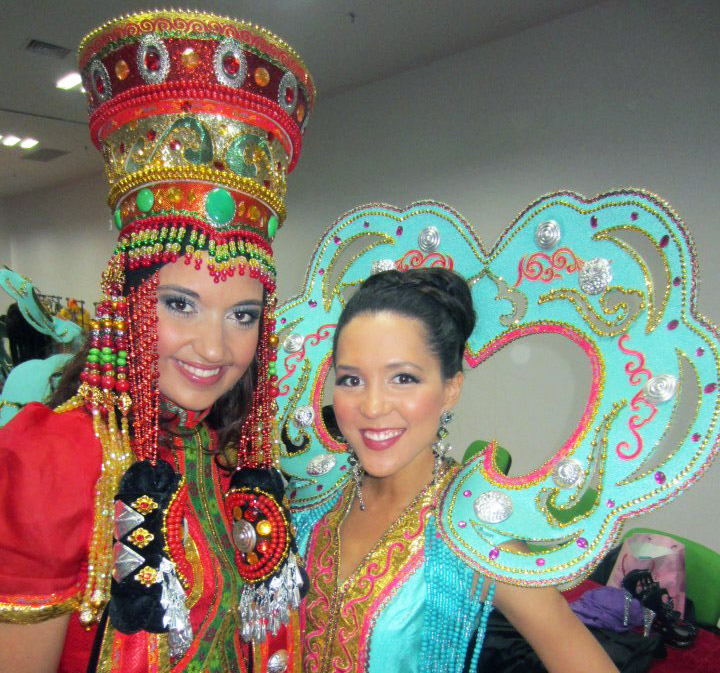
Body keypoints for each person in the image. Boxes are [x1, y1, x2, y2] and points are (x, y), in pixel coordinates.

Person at [0, 9, 314, 672]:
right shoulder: (51, 458)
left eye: (242, 314)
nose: (214, 346)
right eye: (181, 304)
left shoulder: (228, 453)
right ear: (126, 301)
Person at [296, 268, 618, 672]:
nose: (373, 407)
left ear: (451, 389)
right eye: (351, 379)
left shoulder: (471, 530)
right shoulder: (314, 500)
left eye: (403, 378)